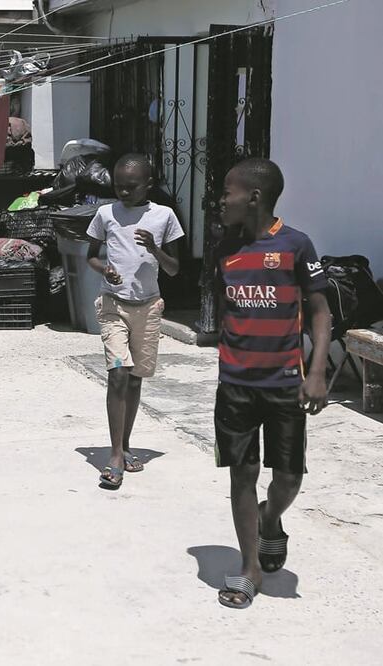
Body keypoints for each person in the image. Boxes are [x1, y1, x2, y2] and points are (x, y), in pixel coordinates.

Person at [212, 158, 330, 610]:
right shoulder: (225, 249)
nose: (222, 199)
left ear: (254, 197)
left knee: (288, 477)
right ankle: (249, 569)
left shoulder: (297, 246)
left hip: (284, 384)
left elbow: (319, 312)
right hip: (236, 384)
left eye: (228, 191)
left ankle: (270, 518)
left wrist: (316, 371)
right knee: (242, 473)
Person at [86, 154, 183, 489]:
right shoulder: (105, 214)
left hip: (149, 308)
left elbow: (174, 269)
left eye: (131, 187)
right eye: (118, 187)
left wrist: (155, 249)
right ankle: (114, 454)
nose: (123, 193)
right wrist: (105, 270)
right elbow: (91, 257)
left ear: (148, 185)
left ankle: (125, 444)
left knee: (136, 378)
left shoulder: (163, 216)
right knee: (117, 374)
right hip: (114, 306)